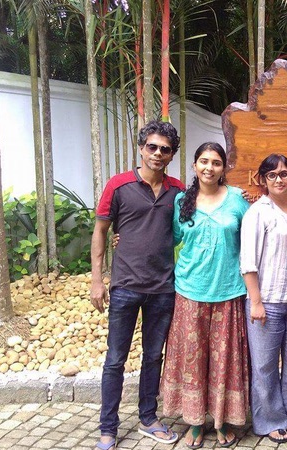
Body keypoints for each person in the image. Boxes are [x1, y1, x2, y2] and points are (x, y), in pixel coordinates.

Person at [90, 120, 182, 450]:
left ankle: (148, 418)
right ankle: (108, 427)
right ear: (141, 148)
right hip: (126, 286)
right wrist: (97, 280)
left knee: (153, 356)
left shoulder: (178, 190)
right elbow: (101, 231)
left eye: (165, 149)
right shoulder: (118, 185)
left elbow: (201, 219)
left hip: (163, 288)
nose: (158, 154)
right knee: (115, 358)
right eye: (152, 147)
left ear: (172, 155)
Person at [160, 142, 250, 449]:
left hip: (228, 292)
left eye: (215, 162)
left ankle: (222, 420)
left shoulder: (238, 200)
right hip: (190, 292)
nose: (209, 168)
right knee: (193, 361)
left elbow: (252, 239)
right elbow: (168, 238)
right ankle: (195, 423)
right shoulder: (182, 201)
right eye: (203, 161)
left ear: (223, 168)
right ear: (195, 166)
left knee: (224, 361)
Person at [240, 154, 287, 443]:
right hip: (266, 302)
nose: (279, 179)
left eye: (284, 173)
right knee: (265, 365)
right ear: (263, 180)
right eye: (272, 175)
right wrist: (255, 302)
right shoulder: (258, 212)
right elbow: (248, 261)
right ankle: (270, 419)